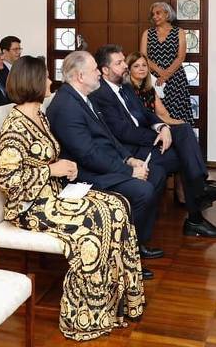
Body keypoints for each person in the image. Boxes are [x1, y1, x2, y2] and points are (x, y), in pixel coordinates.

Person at [0, 55, 144, 341]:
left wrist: (64, 167)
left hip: (51, 194)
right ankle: (85, 315)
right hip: (29, 207)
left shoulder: (38, 114)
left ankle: (118, 301)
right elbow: (9, 182)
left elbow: (49, 157)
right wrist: (51, 169)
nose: (51, 81)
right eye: (46, 77)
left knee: (117, 205)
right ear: (33, 82)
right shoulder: (14, 126)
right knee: (96, 219)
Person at [92, 45, 216, 238]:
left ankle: (198, 204)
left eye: (124, 61)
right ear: (105, 70)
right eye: (120, 63)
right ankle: (198, 205)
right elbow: (122, 132)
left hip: (146, 143)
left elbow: (146, 114)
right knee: (185, 149)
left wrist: (162, 127)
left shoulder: (124, 87)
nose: (125, 65)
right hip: (131, 152)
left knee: (183, 134)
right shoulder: (100, 94)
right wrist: (157, 136)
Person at [45, 51, 160, 278]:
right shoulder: (66, 105)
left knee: (154, 174)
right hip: (84, 174)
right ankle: (120, 258)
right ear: (80, 76)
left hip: (105, 163)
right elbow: (87, 155)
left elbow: (108, 137)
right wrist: (129, 171)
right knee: (143, 190)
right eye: (94, 70)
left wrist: (129, 159)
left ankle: (133, 248)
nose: (99, 73)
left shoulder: (84, 96)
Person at [140, 2, 194, 124]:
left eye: (158, 13)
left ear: (167, 14)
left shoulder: (179, 32)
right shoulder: (147, 33)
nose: (155, 16)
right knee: (156, 116)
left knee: (177, 116)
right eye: (153, 14)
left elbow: (181, 57)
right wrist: (160, 73)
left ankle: (180, 141)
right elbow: (143, 57)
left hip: (176, 79)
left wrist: (166, 75)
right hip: (153, 79)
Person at [125, 52, 184, 125]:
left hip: (154, 126)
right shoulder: (125, 89)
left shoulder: (149, 90)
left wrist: (173, 122)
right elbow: (141, 116)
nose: (141, 69)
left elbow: (164, 114)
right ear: (129, 69)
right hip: (137, 128)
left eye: (144, 65)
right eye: (136, 66)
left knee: (184, 127)